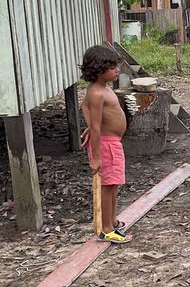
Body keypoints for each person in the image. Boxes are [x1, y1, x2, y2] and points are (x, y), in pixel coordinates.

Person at [80, 45, 132, 244]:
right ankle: (106, 229)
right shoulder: (97, 93)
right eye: (113, 67)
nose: (117, 70)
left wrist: (91, 127)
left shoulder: (103, 88)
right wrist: (95, 157)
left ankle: (112, 220)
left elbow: (84, 107)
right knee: (107, 186)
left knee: (114, 183)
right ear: (99, 69)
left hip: (113, 143)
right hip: (106, 146)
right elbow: (95, 123)